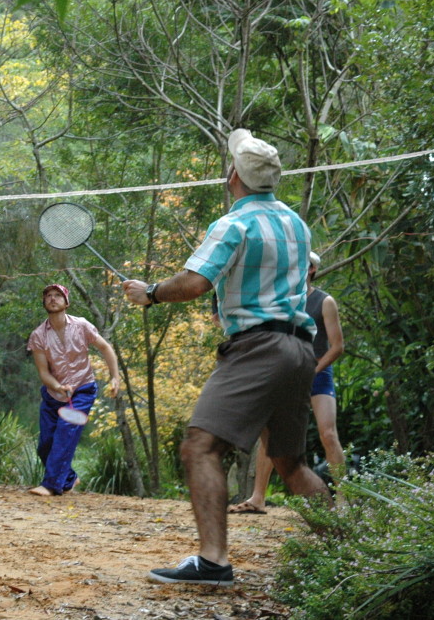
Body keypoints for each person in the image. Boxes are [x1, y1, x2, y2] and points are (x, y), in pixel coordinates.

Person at [122, 129, 332, 586]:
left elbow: (197, 283)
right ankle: (352, 546)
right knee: (289, 463)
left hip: (259, 347)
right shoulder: (297, 224)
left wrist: (151, 293)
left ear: (232, 175)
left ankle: (213, 562)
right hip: (300, 349)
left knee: (201, 446)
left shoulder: (234, 223)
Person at [229, 250, 346, 515]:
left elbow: (337, 347)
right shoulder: (279, 302)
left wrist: (313, 369)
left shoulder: (324, 301)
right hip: (283, 374)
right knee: (271, 437)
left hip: (317, 373)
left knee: (328, 433)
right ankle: (258, 498)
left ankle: (343, 499)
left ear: (312, 269)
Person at [26, 283, 121, 496]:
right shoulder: (38, 335)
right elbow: (44, 373)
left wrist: (115, 377)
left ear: (66, 302)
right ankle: (69, 478)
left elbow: (105, 348)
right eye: (48, 295)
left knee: (65, 432)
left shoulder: (82, 325)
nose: (52, 298)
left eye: (57, 295)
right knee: (45, 445)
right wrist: (58, 386)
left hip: (82, 390)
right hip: (53, 394)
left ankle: (51, 485)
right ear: (44, 303)